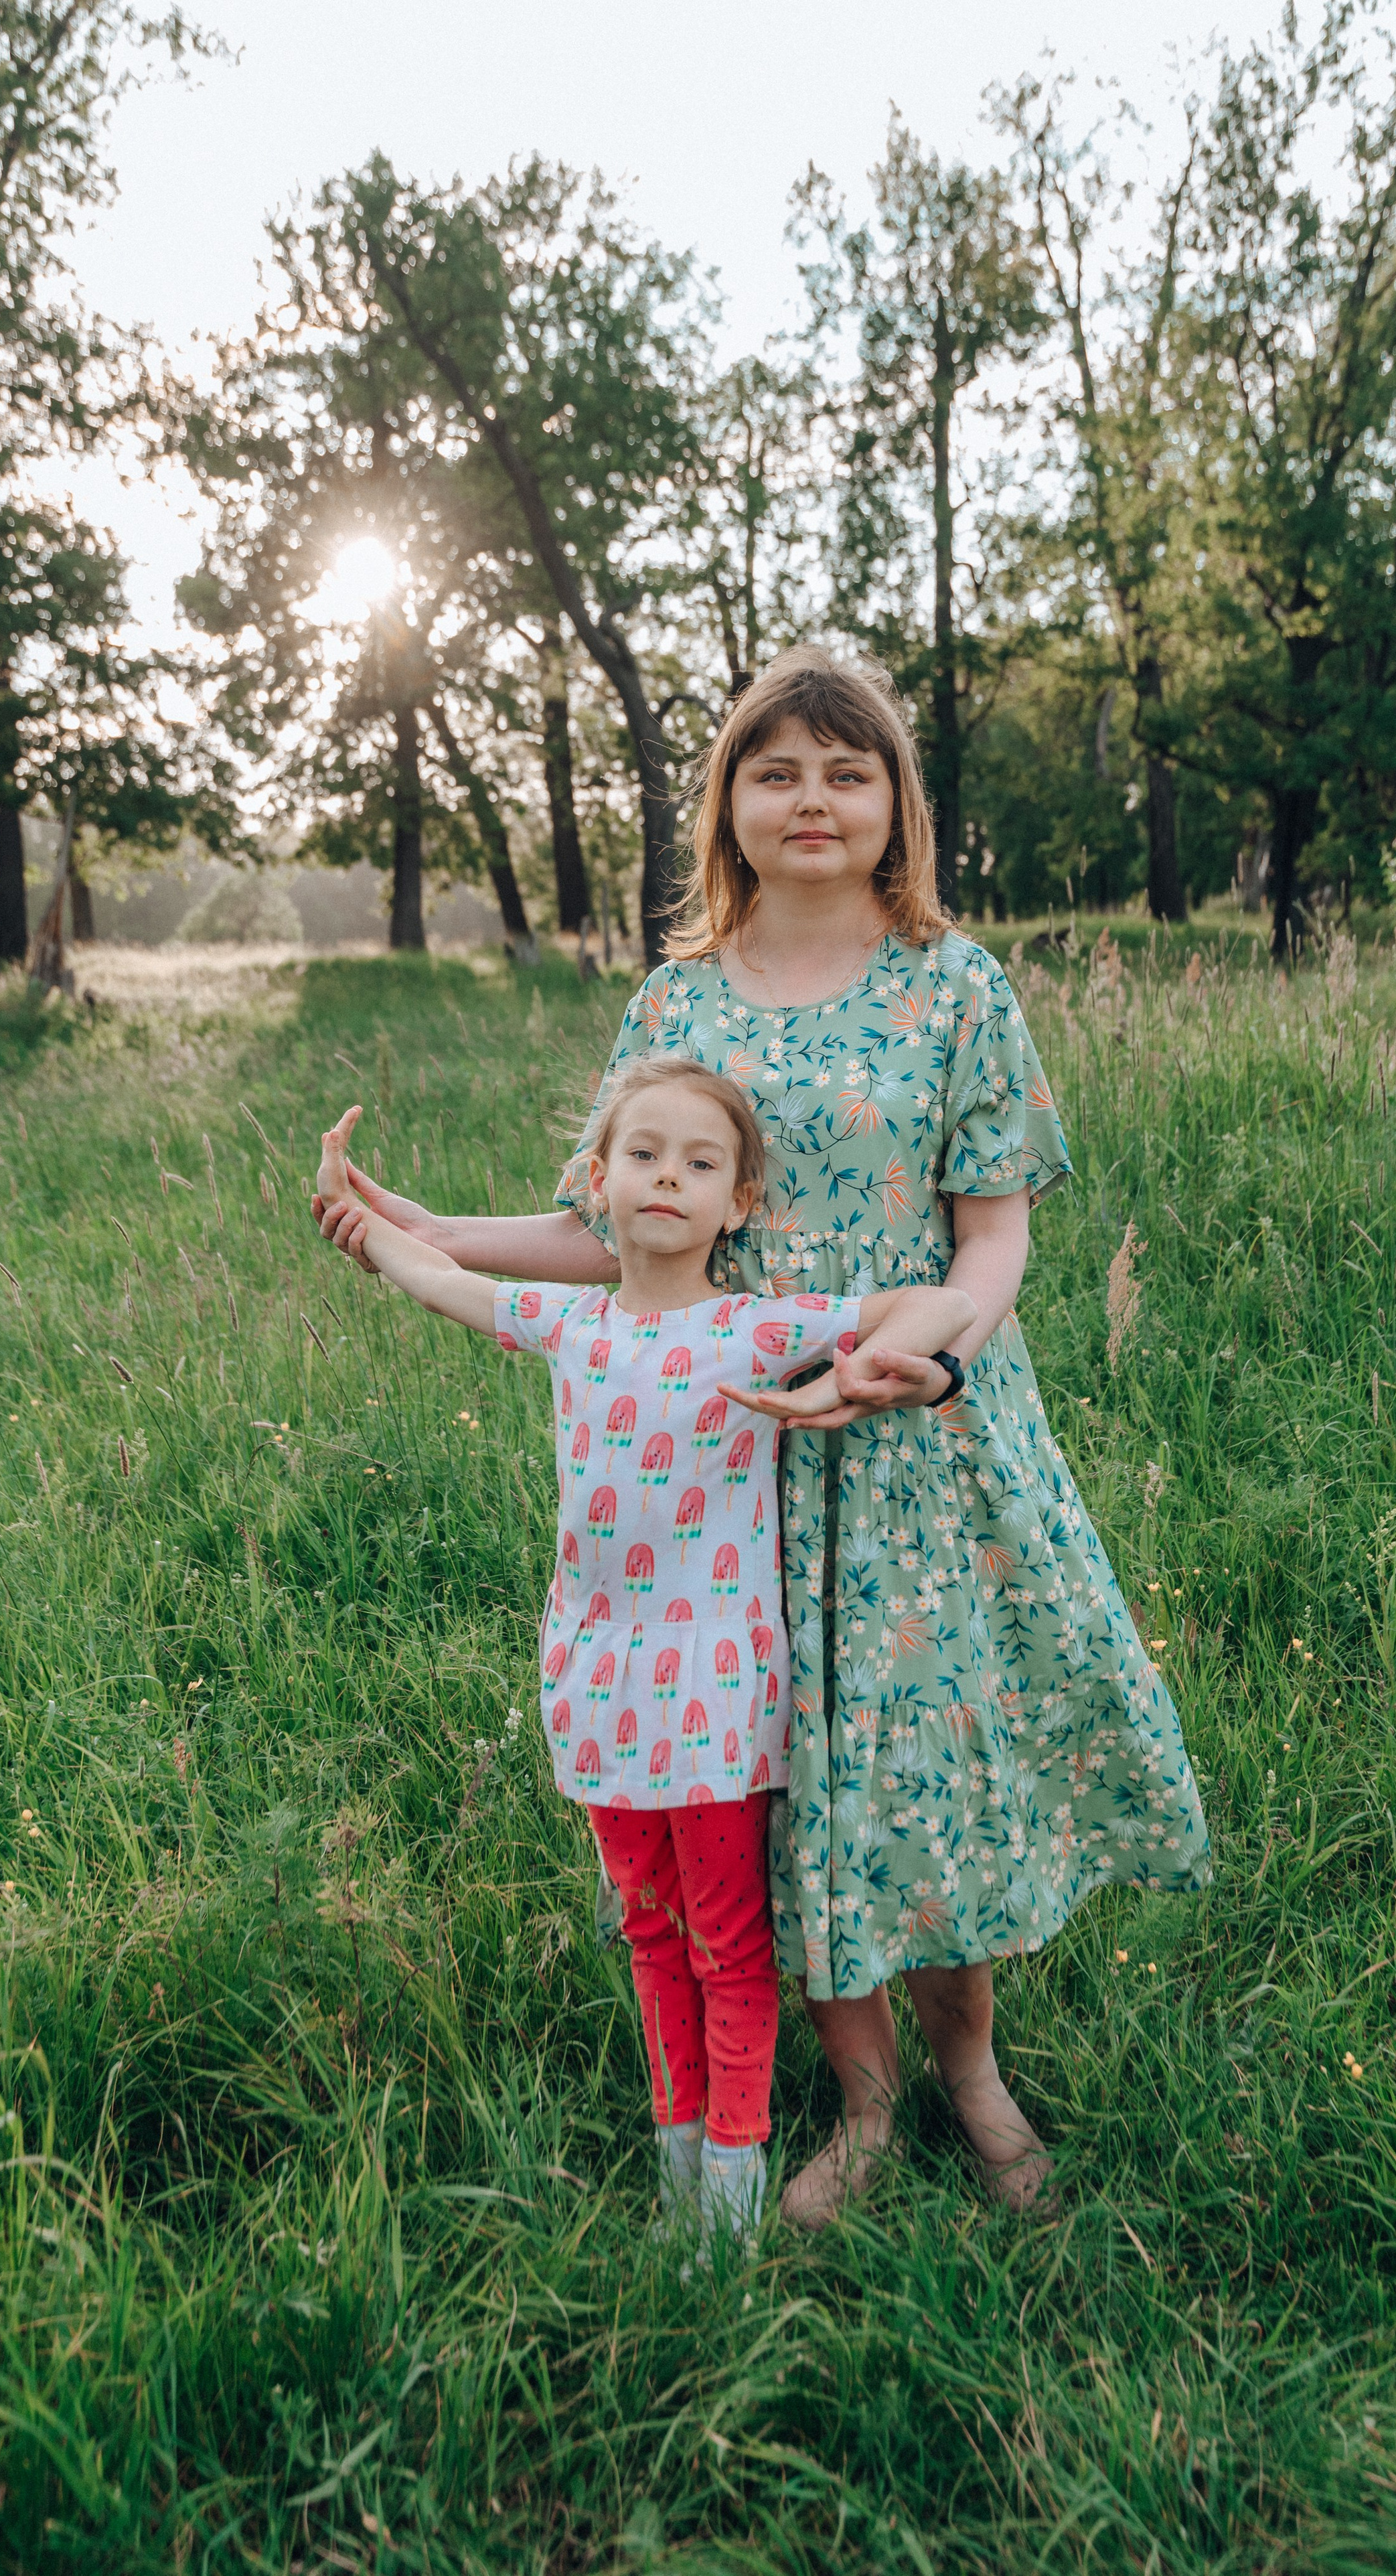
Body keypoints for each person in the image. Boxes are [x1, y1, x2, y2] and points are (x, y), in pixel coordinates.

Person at [315, 646, 1211, 2227]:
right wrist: (422, 1224)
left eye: (847, 772)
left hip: (912, 1431)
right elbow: (619, 1222)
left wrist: (912, 1349)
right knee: (782, 1788)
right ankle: (858, 2105)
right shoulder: (677, 997)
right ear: (727, 797)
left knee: (916, 1761)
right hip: (721, 1459)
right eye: (777, 769)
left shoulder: (955, 985)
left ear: (894, 806)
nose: (812, 799)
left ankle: (970, 2072)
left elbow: (990, 1248)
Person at [313, 1059, 972, 2251]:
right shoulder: (570, 1321)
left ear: (740, 1206)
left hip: (718, 1697)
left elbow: (923, 1302)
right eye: (644, 1155)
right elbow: (438, 1276)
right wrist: (362, 1218)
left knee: (726, 1945)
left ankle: (728, 2205)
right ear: (599, 1183)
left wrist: (899, 1361)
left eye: (700, 1163)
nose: (667, 1176)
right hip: (598, 1685)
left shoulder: (755, 1328)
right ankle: (681, 2186)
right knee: (652, 1936)